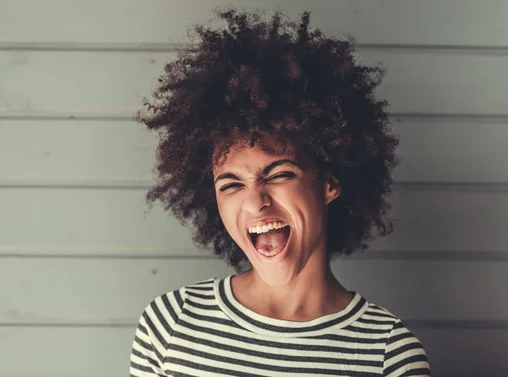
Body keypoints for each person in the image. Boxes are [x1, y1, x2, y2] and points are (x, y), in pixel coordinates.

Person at [130, 7, 431, 377]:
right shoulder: (170, 326)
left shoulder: (388, 353)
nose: (255, 202)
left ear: (329, 184)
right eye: (232, 184)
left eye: (279, 175)